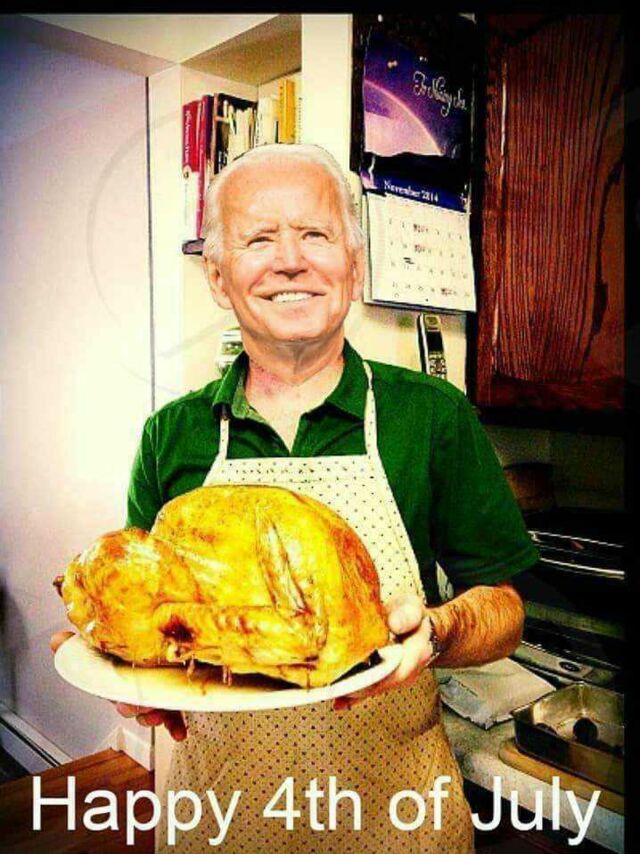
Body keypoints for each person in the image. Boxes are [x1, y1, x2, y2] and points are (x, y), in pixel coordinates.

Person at [51, 143, 538, 852]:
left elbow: (505, 611)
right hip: (219, 813)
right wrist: (126, 676)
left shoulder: (433, 417)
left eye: (315, 234)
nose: (290, 260)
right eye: (258, 239)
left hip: (396, 814)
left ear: (354, 264)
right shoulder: (171, 434)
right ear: (218, 276)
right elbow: (149, 618)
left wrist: (437, 631)